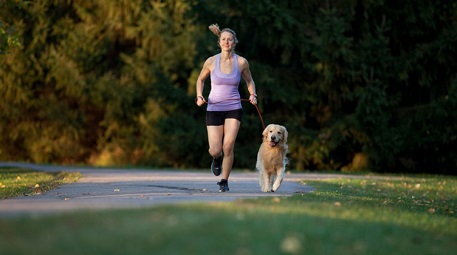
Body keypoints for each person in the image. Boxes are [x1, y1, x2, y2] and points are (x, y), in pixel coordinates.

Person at [195, 24, 257, 192]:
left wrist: (253, 94)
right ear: (219, 42)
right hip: (214, 108)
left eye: (230, 39)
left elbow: (249, 81)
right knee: (216, 150)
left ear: (235, 42)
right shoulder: (210, 61)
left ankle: (224, 180)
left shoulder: (242, 62)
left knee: (228, 146)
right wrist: (200, 96)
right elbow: (200, 80)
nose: (226, 42)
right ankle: (216, 159)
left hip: (234, 108)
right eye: (223, 39)